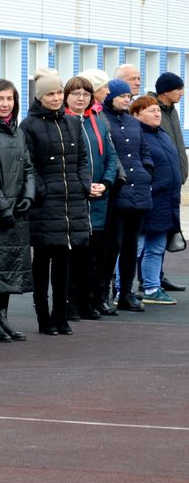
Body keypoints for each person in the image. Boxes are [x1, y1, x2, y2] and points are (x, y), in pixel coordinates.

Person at [20, 70, 91, 335]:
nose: (56, 98)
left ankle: (61, 314)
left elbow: (82, 159)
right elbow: (28, 164)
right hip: (45, 204)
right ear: (40, 97)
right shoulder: (28, 126)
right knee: (42, 262)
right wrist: (43, 190)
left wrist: (83, 184)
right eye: (50, 94)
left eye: (59, 92)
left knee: (64, 263)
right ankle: (43, 316)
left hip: (71, 202)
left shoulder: (72, 122)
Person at [0, 79, 35, 340]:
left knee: (10, 267)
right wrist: (2, 206)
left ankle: (3, 318)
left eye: (9, 98)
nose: (5, 104)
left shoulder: (17, 131)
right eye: (0, 98)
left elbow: (28, 167)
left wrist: (29, 195)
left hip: (18, 211)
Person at [66, 76, 117, 321]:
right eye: (75, 93)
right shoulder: (62, 123)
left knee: (93, 255)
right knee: (73, 257)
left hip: (98, 198)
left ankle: (88, 301)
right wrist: (83, 187)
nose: (81, 98)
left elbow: (111, 158)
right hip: (74, 199)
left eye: (85, 94)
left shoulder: (98, 122)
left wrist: (105, 183)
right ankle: (70, 302)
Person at [100, 79, 151, 313]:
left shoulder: (132, 122)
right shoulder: (103, 119)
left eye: (129, 97)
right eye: (122, 96)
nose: (127, 100)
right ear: (111, 97)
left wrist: (146, 171)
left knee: (131, 247)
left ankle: (126, 292)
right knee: (112, 246)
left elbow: (144, 151)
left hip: (138, 190)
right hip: (117, 191)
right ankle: (102, 292)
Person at [134, 95, 183, 306]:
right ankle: (121, 289)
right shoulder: (136, 135)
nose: (157, 113)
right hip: (145, 201)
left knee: (156, 248)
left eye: (157, 110)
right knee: (135, 248)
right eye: (150, 110)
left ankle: (152, 288)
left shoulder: (162, 134)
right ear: (136, 114)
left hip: (165, 202)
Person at [152, 73, 187, 292]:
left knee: (165, 232)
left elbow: (177, 144)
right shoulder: (153, 110)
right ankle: (150, 280)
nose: (182, 93)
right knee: (153, 235)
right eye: (178, 89)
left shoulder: (171, 111)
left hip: (174, 181)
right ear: (165, 91)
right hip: (160, 184)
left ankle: (158, 276)